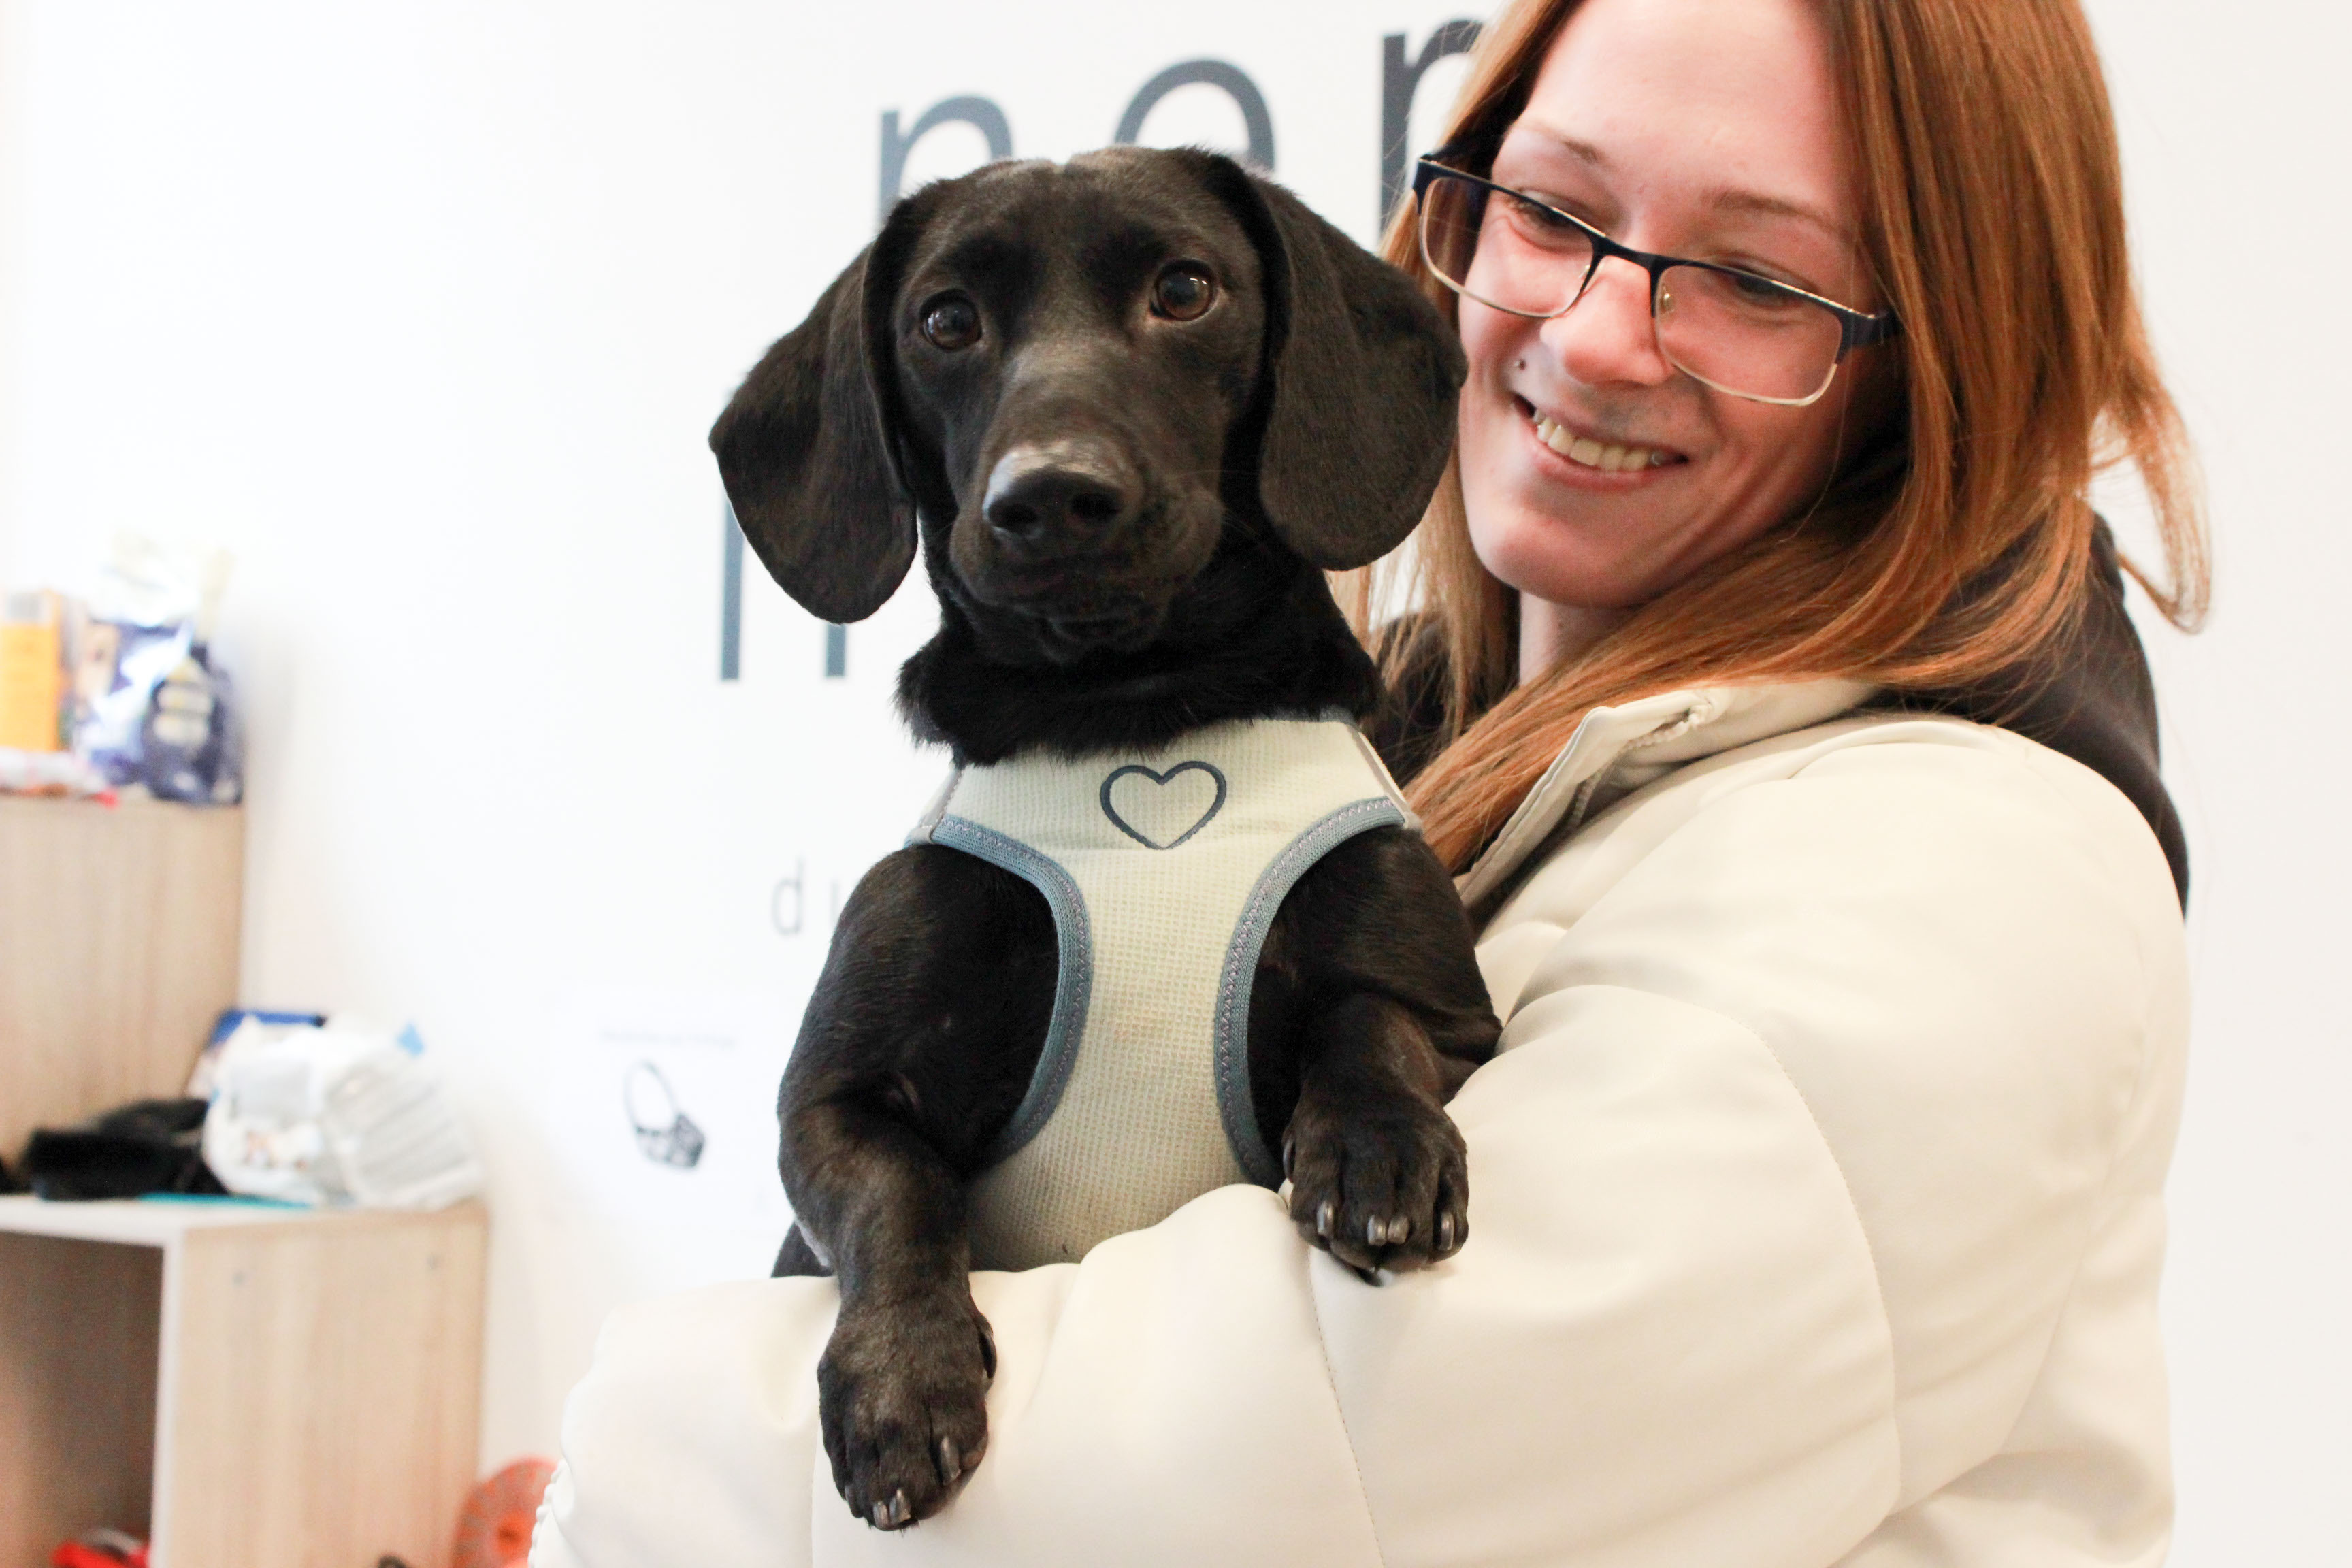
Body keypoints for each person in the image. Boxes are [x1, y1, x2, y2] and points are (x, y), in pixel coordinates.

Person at [533, 0, 2204, 1561]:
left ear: (1946, 355)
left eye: (1756, 280)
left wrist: (628, 1458)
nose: (1598, 338)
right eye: (1553, 211)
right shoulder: (1373, 775)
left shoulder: (1956, 869)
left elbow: (1298, 1468)